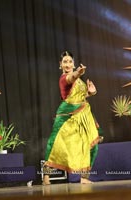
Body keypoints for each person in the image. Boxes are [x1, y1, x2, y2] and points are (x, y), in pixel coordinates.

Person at [43, 51, 102, 185]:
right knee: (54, 145)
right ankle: (46, 177)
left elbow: (78, 97)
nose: (68, 64)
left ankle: (84, 177)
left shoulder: (79, 81)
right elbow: (71, 78)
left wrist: (90, 93)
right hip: (66, 116)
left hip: (82, 116)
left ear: (74, 63)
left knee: (92, 146)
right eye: (65, 62)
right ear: (60, 65)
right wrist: (78, 73)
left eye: (70, 61)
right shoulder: (64, 79)